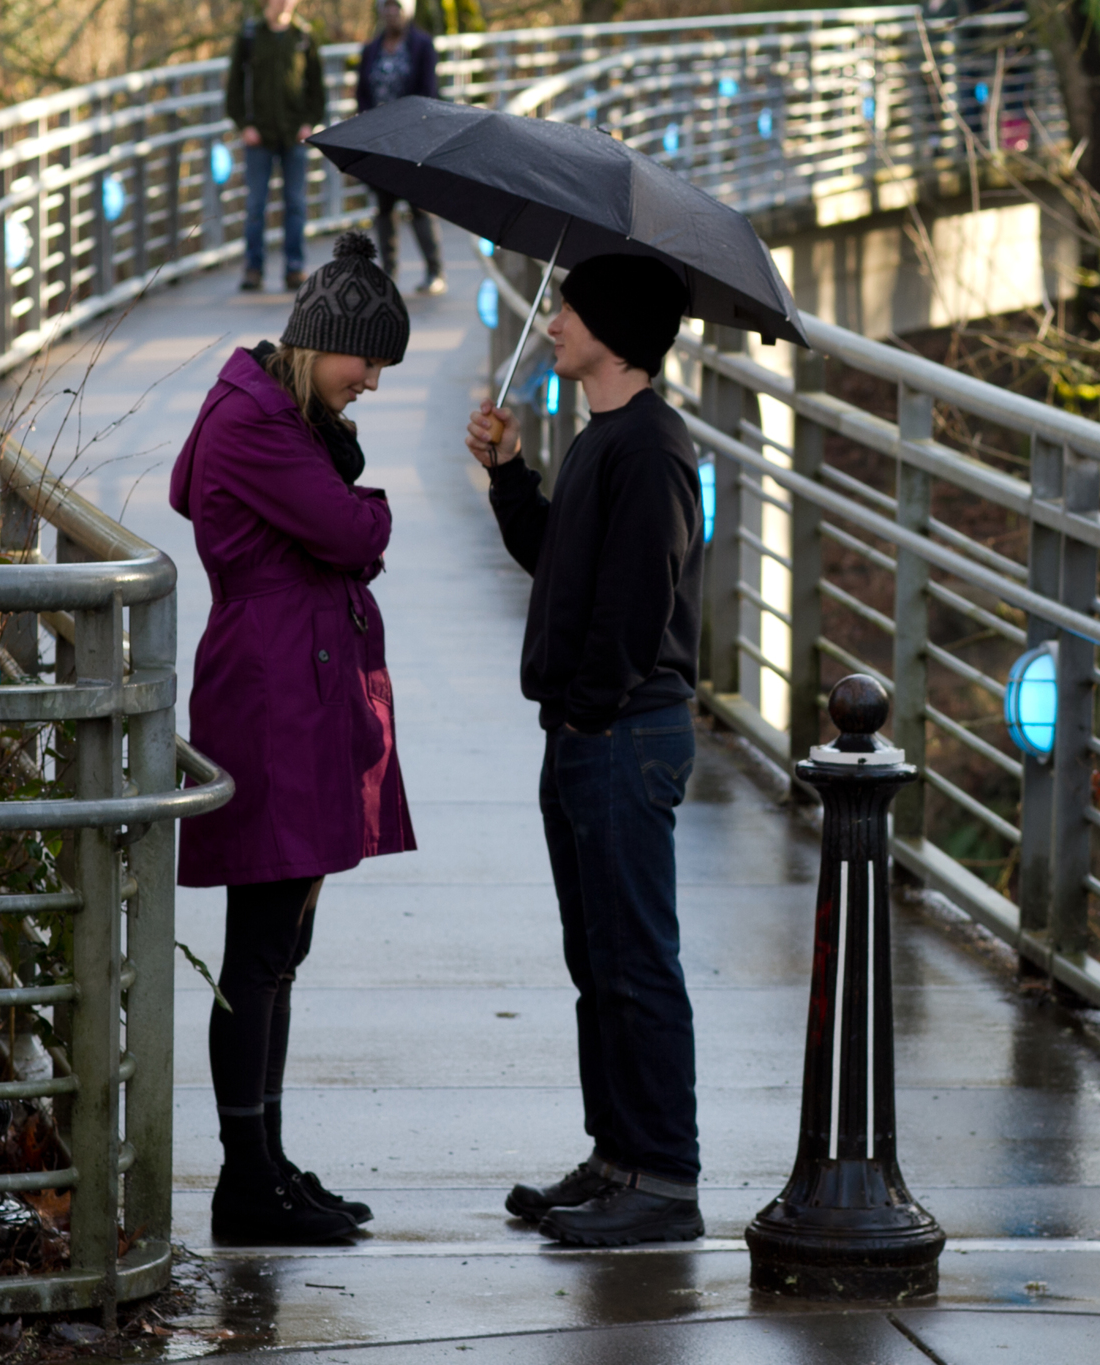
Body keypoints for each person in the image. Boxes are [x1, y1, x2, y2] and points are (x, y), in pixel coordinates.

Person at [172, 231, 417, 1243]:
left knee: (281, 948)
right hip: (274, 700)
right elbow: (358, 537)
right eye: (364, 362)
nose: (370, 382)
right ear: (319, 342)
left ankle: (265, 1161)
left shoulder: (279, 416)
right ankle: (245, 1182)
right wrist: (350, 487)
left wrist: (333, 458)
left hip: (296, 690)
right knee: (262, 947)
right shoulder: (257, 425)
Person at [461, 255, 705, 1247]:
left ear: (613, 328)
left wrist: (589, 713)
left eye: (567, 309)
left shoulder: (650, 448)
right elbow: (559, 561)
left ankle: (662, 1180)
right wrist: (509, 474)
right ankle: (615, 1158)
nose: (550, 324)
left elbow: (637, 606)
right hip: (586, 731)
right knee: (595, 957)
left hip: (622, 733)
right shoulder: (606, 437)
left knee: (635, 960)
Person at [226, 0, 327, 292]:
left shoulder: (304, 37)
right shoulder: (249, 36)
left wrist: (310, 122)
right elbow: (233, 86)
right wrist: (244, 125)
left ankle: (294, 268)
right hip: (259, 136)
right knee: (256, 205)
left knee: (295, 204)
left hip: (294, 135)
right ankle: (253, 268)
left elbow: (317, 88)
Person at [356, 0, 446, 295]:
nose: (391, 12)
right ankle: (389, 271)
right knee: (384, 207)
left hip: (412, 138)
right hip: (380, 140)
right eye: (387, 7)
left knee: (419, 205)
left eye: (397, 6)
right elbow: (362, 93)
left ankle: (435, 270)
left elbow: (429, 91)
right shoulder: (372, 48)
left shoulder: (421, 45)